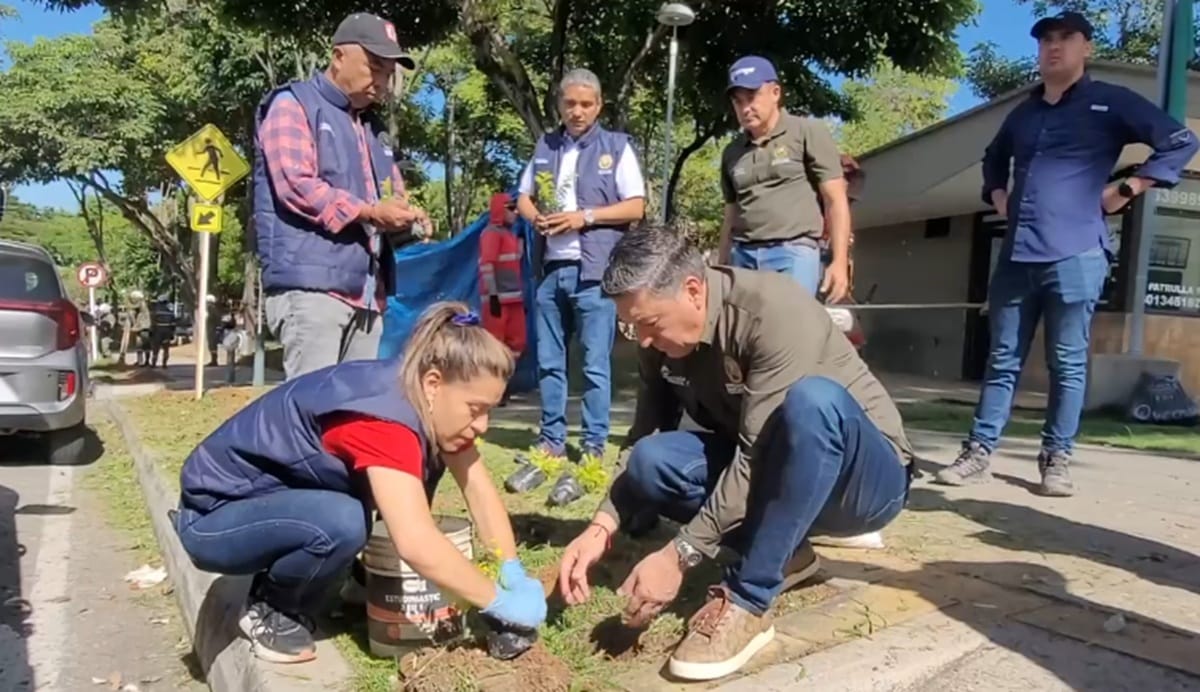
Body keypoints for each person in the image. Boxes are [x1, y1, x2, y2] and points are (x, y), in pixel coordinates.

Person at [557, 226, 914, 682]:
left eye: (649, 324)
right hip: (774, 471)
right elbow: (643, 435)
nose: (641, 340)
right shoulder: (658, 340)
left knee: (813, 403)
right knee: (651, 461)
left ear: (692, 290)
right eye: (631, 327)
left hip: (863, 485)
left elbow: (754, 455)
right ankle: (791, 555)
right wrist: (600, 526)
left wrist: (679, 555)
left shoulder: (772, 312)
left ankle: (749, 598)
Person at [172, 302, 548, 664]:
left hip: (269, 505)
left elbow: (479, 492)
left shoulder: (421, 394)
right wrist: (497, 602)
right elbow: (416, 542)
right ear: (434, 383)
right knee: (342, 521)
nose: (482, 425)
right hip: (212, 520)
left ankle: (356, 581)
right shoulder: (384, 421)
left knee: (389, 494)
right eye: (475, 409)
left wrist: (510, 568)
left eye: (490, 410)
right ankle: (272, 608)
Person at [935, 11, 1199, 496]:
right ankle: (978, 453)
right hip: (1017, 256)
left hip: (1077, 254)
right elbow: (994, 159)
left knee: (1068, 362)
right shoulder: (1024, 113)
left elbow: (1181, 141)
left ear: (1086, 48)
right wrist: (997, 195)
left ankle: (1056, 460)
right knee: (1002, 360)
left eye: (1065, 38)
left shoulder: (1110, 102)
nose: (1053, 47)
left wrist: (1130, 186)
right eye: (1046, 40)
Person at [254, 11, 432, 381]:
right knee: (308, 413)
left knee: (351, 420)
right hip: (312, 290)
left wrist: (409, 218)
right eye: (374, 67)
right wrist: (370, 211)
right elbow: (297, 185)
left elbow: (390, 198)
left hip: (367, 293)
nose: (381, 81)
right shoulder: (293, 105)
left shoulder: (373, 131)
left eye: (388, 73)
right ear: (338, 56)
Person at [508, 68, 646, 506]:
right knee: (549, 364)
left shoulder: (616, 147)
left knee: (594, 367)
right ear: (560, 105)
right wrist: (537, 218)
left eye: (586, 104)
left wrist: (582, 217)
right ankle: (550, 443)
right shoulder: (546, 145)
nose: (578, 111)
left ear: (599, 106)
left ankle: (592, 448)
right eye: (570, 103)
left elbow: (637, 206)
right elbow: (523, 195)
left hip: (595, 274)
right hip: (550, 272)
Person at [717, 56, 851, 303]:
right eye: (738, 101)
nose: (745, 107)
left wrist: (839, 262)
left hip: (792, 253)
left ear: (775, 92)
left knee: (791, 334)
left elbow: (835, 199)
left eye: (752, 97)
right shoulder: (732, 152)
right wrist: (721, 263)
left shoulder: (806, 132)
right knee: (746, 337)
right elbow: (730, 214)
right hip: (743, 257)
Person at [479, 192, 527, 359]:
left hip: (514, 298)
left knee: (516, 343)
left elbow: (514, 260)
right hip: (498, 300)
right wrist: (493, 295)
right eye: (511, 208)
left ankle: (506, 380)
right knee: (495, 344)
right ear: (501, 210)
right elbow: (487, 265)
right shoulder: (491, 233)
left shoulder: (509, 235)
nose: (515, 212)